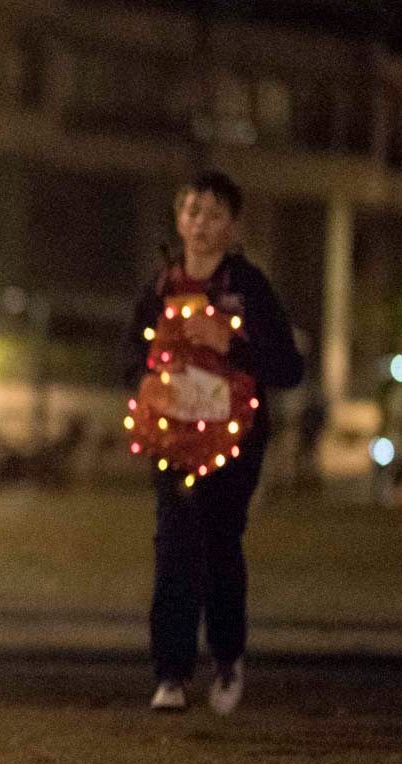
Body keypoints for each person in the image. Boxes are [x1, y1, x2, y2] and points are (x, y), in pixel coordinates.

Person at [125, 170, 303, 715]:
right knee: (172, 546)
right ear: (179, 218)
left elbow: (288, 368)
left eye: (215, 214)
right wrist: (151, 383)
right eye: (193, 211)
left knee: (220, 545)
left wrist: (233, 340)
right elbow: (129, 360)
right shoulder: (159, 287)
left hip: (235, 440)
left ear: (233, 226)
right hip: (171, 441)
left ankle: (227, 658)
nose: (201, 224)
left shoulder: (248, 288)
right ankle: (171, 673)